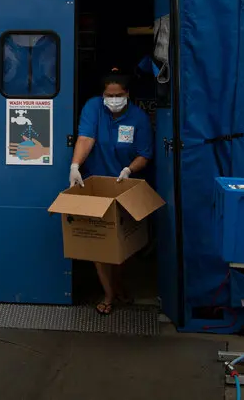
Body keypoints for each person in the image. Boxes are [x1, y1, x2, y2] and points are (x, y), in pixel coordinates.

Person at [68, 68, 153, 315]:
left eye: (118, 95)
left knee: (123, 245)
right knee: (101, 244)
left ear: (127, 94)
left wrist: (129, 169)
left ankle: (118, 285)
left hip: (124, 185)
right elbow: (86, 138)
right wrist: (75, 165)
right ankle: (108, 293)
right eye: (108, 95)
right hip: (96, 184)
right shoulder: (94, 108)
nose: (113, 100)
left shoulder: (138, 118)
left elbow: (144, 154)